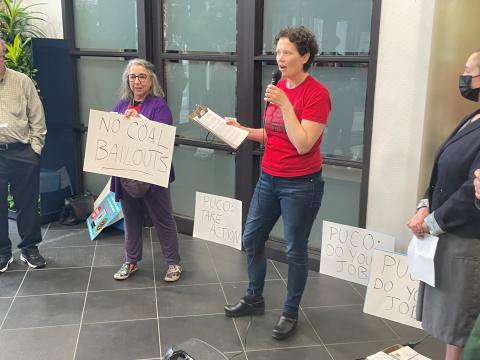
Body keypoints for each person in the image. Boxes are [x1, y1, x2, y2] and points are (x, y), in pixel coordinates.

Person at [224, 26, 331, 340]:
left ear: (305, 57)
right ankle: (255, 297)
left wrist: (285, 104)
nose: (280, 58)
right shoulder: (278, 86)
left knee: (295, 250)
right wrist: (241, 129)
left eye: (287, 52)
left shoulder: (316, 94)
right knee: (252, 238)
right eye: (278, 52)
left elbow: (302, 144)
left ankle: (289, 312)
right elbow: (273, 134)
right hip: (269, 177)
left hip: (301, 184)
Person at [406, 51, 480, 360]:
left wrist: (433, 221)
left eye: (468, 71)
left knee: (459, 319)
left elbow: (470, 192)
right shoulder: (471, 118)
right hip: (444, 232)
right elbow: (440, 170)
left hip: (465, 237)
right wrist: (424, 204)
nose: (462, 77)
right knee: (450, 318)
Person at [110, 58, 182, 282]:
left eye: (142, 77)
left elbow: (162, 135)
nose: (137, 81)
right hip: (126, 174)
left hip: (152, 174)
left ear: (151, 81)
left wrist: (138, 120)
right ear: (127, 81)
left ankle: (173, 263)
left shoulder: (159, 106)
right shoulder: (120, 106)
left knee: (163, 218)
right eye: (132, 77)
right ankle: (130, 260)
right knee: (131, 219)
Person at [0, 36, 47, 272]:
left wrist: (35, 149)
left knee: (27, 204)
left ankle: (29, 249)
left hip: (21, 152)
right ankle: (2, 253)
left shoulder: (22, 81)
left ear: (4, 55)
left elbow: (37, 116)